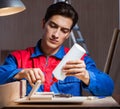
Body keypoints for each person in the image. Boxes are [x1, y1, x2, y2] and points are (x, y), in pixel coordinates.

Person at [0, 2, 114, 96]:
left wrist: (86, 76)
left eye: (64, 30)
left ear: (68, 34)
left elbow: (108, 88)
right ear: (43, 23)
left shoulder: (79, 60)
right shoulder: (18, 57)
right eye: (53, 26)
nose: (56, 34)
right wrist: (21, 73)